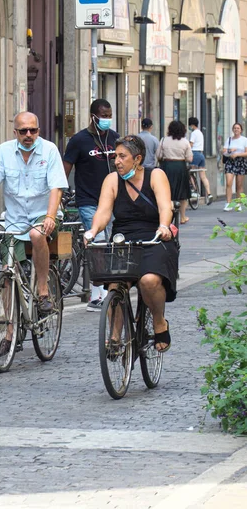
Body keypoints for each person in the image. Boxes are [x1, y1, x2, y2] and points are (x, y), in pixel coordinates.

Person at [0, 112, 68, 354]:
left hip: (43, 214)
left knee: (36, 235)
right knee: (6, 273)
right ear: (15, 132)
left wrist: (50, 217)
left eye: (33, 130)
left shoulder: (49, 150)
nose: (28, 135)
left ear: (38, 130)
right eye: (23, 131)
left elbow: (56, 188)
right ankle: (11, 332)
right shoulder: (3, 152)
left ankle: (43, 291)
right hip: (13, 220)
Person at [84, 135, 178, 352]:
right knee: (115, 285)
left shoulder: (155, 175)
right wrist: (92, 230)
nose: (116, 161)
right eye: (115, 156)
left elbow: (166, 207)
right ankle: (115, 337)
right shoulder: (112, 180)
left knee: (149, 281)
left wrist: (164, 226)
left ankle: (159, 322)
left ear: (137, 159)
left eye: (122, 156)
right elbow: (103, 212)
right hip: (123, 240)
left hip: (154, 238)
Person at [63, 99, 119, 310]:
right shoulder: (79, 140)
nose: (107, 119)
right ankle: (97, 295)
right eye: (103, 116)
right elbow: (65, 168)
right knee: (99, 244)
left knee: (112, 244)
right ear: (93, 116)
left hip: (113, 201)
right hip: (88, 201)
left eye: (109, 115)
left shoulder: (115, 138)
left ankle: (107, 290)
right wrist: (59, 194)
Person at [156, 120, 193, 225]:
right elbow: (189, 158)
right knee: (182, 194)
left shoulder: (164, 140)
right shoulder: (185, 142)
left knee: (167, 192)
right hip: (180, 167)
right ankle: (183, 217)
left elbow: (158, 155)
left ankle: (168, 216)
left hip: (166, 167)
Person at [222, 122, 247, 211]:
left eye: (238, 128)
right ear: (233, 130)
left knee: (239, 184)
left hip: (241, 162)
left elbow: (246, 152)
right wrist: (230, 150)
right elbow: (224, 151)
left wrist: (237, 154)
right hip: (230, 162)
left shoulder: (244, 140)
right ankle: (228, 203)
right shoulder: (229, 140)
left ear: (241, 130)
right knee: (229, 182)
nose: (236, 130)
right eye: (235, 128)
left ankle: (238, 203)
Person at [188, 117, 213, 205]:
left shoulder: (194, 133)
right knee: (203, 176)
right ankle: (209, 194)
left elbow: (190, 145)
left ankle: (194, 191)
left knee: (190, 172)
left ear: (191, 125)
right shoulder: (200, 133)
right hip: (201, 155)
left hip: (195, 154)